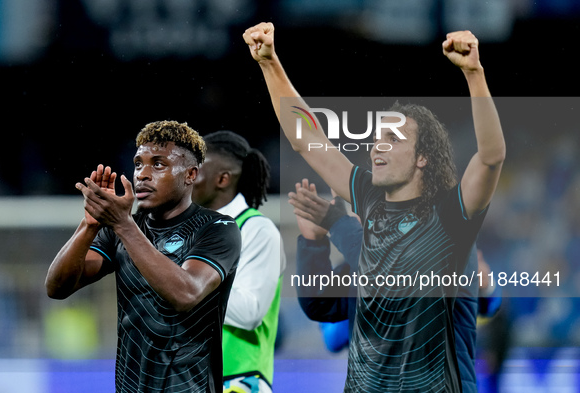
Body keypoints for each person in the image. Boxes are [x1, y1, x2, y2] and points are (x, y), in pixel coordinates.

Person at [244, 22, 506, 392]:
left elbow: (492, 157)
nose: (376, 146)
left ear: (423, 158)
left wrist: (475, 75)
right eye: (376, 137)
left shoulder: (452, 215)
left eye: (393, 138)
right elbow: (308, 139)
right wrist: (270, 63)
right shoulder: (367, 197)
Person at [45, 120, 242, 393]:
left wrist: (124, 225)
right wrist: (89, 224)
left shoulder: (218, 229)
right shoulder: (120, 229)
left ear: (190, 174)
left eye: (158, 164)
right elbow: (57, 287)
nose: (143, 174)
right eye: (139, 164)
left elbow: (186, 294)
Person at [290, 179, 503, 392]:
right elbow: (320, 309)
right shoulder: (357, 264)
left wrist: (486, 287)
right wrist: (313, 241)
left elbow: (486, 306)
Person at [192, 130, 285, 393]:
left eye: (196, 169)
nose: (186, 177)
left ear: (222, 179)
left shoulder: (257, 230)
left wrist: (187, 281)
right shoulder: (189, 231)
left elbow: (250, 312)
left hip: (238, 380)